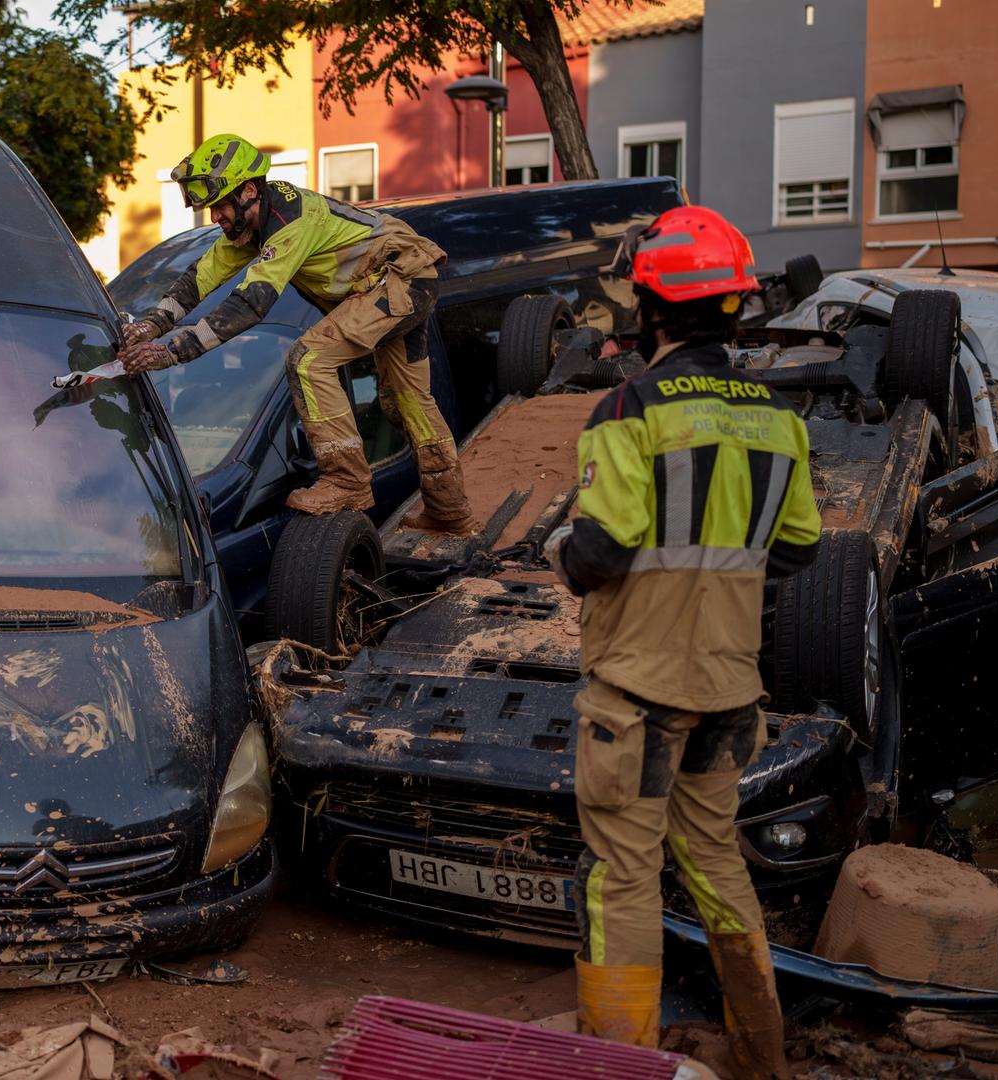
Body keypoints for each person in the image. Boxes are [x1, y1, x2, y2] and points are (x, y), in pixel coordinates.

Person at [544, 205, 820, 1078]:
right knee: (715, 867)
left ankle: (622, 1066)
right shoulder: (779, 417)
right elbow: (800, 547)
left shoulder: (629, 407)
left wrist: (555, 548)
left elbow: (598, 552)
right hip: (730, 689)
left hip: (636, 691)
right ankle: (761, 1055)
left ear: (651, 308)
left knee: (620, 877)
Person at [117, 134, 476, 531]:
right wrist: (152, 324)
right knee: (407, 401)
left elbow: (251, 303)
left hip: (397, 280)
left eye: (218, 206)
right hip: (405, 281)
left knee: (309, 360)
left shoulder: (289, 223)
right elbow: (199, 278)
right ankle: (449, 510)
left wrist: (170, 353)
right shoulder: (253, 222)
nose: (214, 217)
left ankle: (347, 480)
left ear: (249, 191)